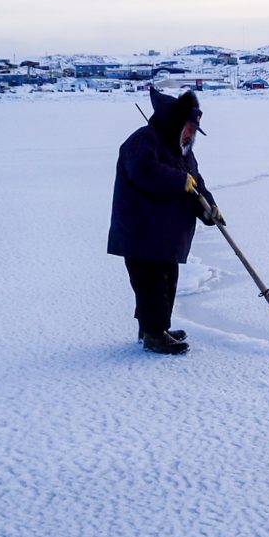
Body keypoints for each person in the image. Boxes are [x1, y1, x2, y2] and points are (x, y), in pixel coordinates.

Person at [107, 87, 223, 355]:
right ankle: (153, 335)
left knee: (167, 281)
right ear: (176, 123)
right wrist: (178, 181)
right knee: (150, 284)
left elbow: (195, 182)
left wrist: (209, 208)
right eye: (189, 129)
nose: (191, 136)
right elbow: (144, 173)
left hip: (165, 234)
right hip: (141, 231)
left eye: (194, 132)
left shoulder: (181, 150)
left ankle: (157, 328)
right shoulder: (143, 141)